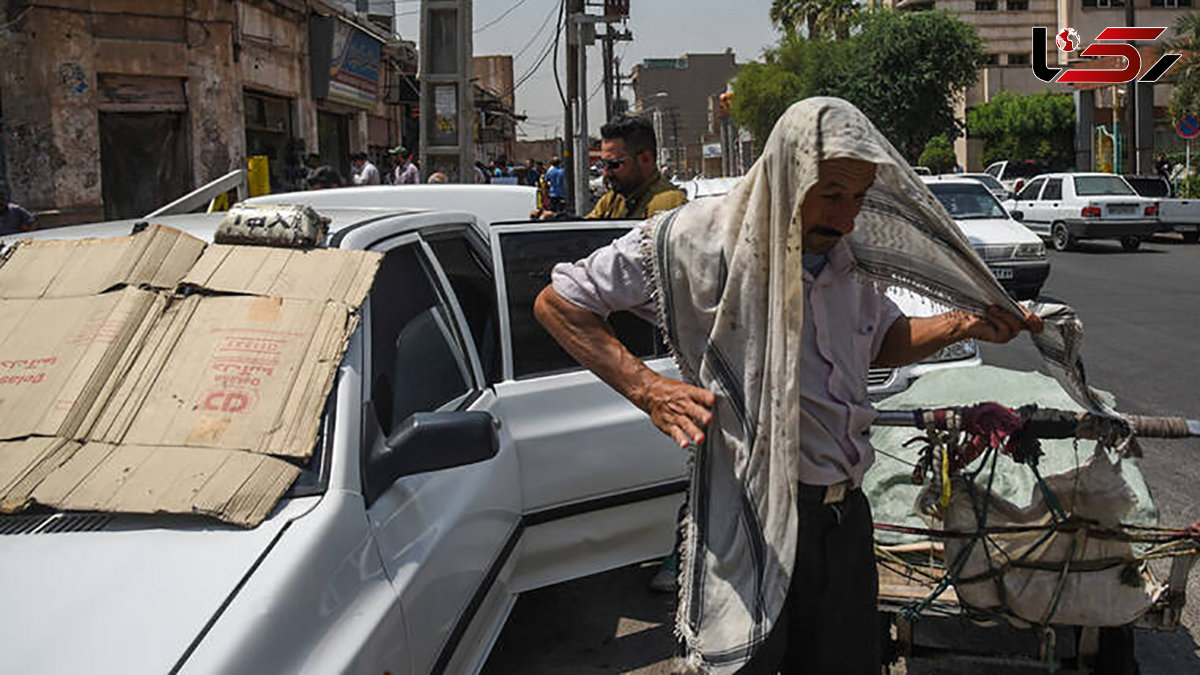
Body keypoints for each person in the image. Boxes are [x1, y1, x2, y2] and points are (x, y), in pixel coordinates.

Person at [533, 97, 1043, 674]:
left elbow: (883, 342)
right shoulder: (699, 240)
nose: (847, 216)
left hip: (845, 519)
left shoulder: (849, 258)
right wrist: (649, 389)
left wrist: (966, 324)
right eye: (830, 195)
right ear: (787, 173)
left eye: (858, 197)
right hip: (753, 514)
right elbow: (560, 303)